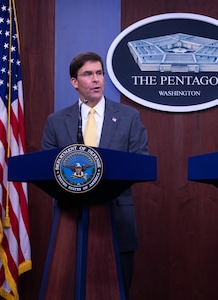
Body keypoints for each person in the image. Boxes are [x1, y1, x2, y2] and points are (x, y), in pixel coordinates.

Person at [40, 52, 149, 299]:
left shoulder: (128, 117)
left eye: (99, 73)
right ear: (74, 82)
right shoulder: (56, 121)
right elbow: (44, 168)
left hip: (117, 217)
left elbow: (141, 162)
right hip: (70, 218)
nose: (96, 79)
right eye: (88, 74)